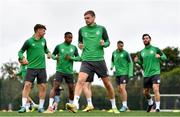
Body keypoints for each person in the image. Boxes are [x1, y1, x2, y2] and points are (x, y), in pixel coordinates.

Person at [66, 10, 119, 113]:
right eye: (85, 18)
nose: (86, 20)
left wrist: (104, 43)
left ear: (94, 18)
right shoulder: (81, 30)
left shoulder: (101, 29)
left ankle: (114, 106)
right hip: (86, 60)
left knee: (107, 84)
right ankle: (75, 104)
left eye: (88, 18)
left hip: (99, 60)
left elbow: (108, 42)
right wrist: (80, 46)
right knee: (80, 80)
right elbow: (80, 42)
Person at [18, 24, 51, 113]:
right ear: (38, 30)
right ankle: (23, 107)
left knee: (43, 87)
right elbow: (20, 52)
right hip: (31, 68)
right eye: (44, 30)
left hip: (42, 68)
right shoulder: (28, 41)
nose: (45, 32)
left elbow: (46, 49)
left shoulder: (44, 40)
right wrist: (23, 58)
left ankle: (40, 107)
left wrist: (48, 53)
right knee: (27, 85)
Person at [44, 32, 81, 113]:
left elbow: (79, 58)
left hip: (69, 72)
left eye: (71, 37)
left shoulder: (74, 48)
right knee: (55, 87)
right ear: (65, 37)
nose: (70, 39)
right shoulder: (59, 46)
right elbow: (53, 55)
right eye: (69, 37)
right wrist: (55, 57)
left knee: (72, 89)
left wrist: (71, 58)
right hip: (59, 71)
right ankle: (50, 106)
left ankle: (71, 107)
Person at [134, 34, 167, 112]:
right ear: (143, 40)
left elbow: (165, 58)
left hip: (156, 72)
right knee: (145, 92)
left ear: (150, 39)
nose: (145, 39)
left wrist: (160, 57)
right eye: (144, 39)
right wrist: (137, 61)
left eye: (147, 38)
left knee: (156, 89)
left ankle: (157, 108)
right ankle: (150, 102)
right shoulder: (142, 52)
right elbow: (142, 63)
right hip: (146, 74)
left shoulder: (156, 49)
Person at [110, 40, 133, 112]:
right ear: (117, 45)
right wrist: (111, 66)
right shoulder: (114, 53)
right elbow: (112, 61)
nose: (121, 46)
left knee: (122, 88)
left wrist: (130, 73)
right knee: (119, 89)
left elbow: (130, 63)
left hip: (124, 73)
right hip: (117, 73)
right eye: (120, 45)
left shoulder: (126, 53)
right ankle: (125, 105)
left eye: (122, 45)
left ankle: (124, 105)